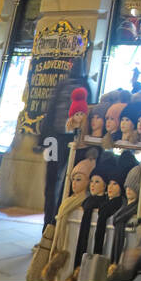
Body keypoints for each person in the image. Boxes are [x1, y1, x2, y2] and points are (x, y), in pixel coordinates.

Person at [37, 57, 92, 228]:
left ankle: (53, 223)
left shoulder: (77, 86)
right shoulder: (82, 86)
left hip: (66, 141)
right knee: (55, 181)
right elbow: (52, 110)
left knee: (59, 182)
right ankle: (50, 223)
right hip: (58, 139)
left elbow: (52, 110)